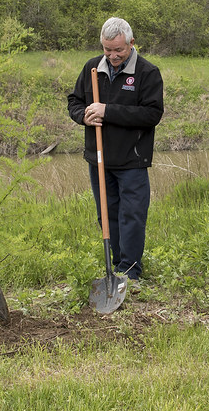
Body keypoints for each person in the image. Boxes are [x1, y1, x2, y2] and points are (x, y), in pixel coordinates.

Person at [67, 17, 164, 282]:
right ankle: (116, 267)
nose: (112, 56)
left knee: (131, 216)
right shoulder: (92, 69)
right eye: (107, 50)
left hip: (132, 160)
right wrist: (83, 116)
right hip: (98, 159)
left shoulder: (147, 73)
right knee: (106, 215)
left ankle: (130, 272)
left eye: (118, 50)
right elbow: (74, 100)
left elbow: (152, 114)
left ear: (132, 44)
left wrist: (108, 111)